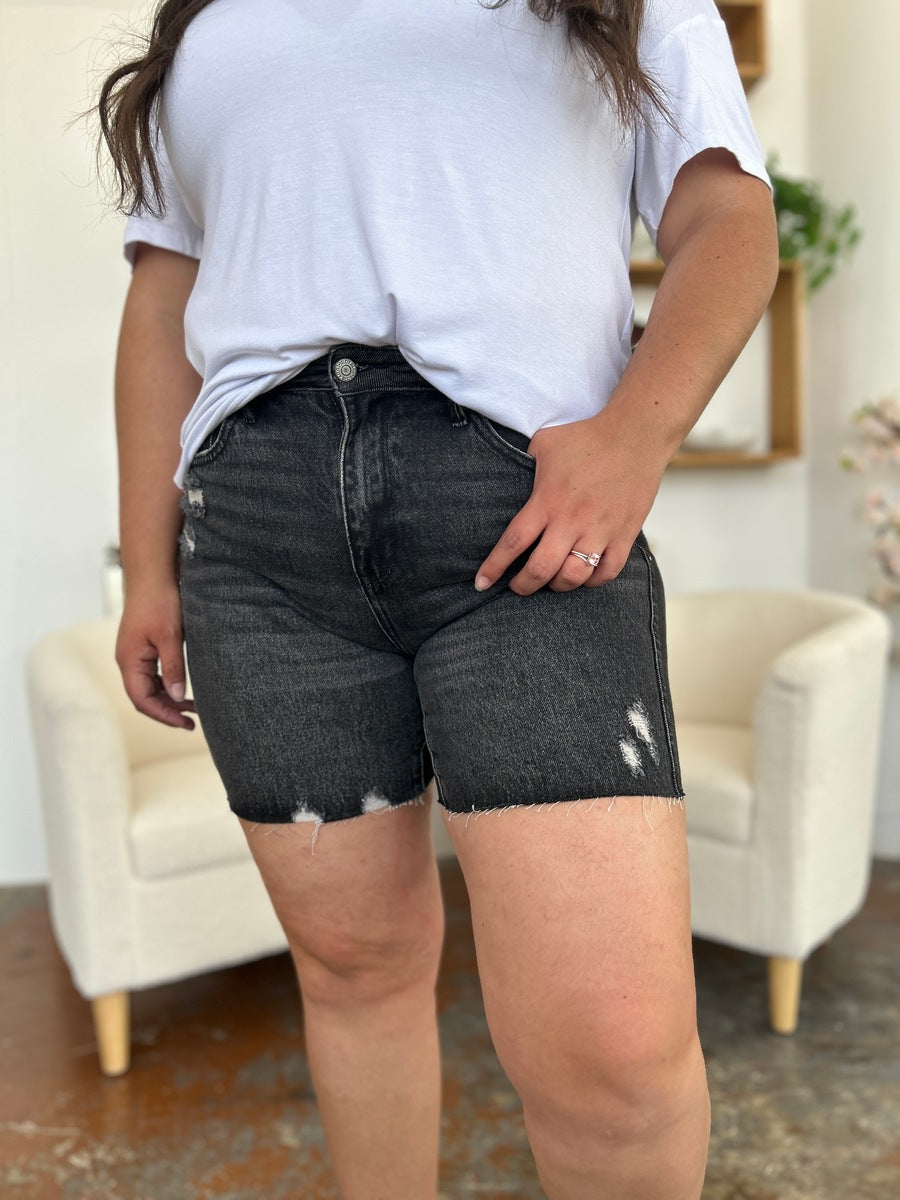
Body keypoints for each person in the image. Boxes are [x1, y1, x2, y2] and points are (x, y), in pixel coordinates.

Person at [96, 0, 778, 1195]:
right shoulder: (214, 22)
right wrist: (146, 565)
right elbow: (164, 298)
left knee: (615, 1059)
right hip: (256, 537)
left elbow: (728, 216)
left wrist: (635, 438)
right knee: (353, 971)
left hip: (516, 513)